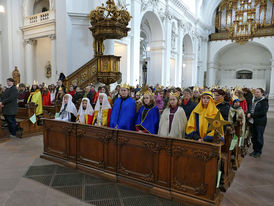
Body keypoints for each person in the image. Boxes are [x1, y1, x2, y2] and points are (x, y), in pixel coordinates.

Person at [247, 88, 269, 158]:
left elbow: (262, 112)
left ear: (262, 93)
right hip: (252, 121)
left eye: (258, 92)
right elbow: (249, 108)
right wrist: (248, 113)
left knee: (259, 137)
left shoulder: (264, 101)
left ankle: (258, 151)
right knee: (253, 137)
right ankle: (254, 150)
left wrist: (252, 115)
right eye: (255, 92)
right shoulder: (253, 100)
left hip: (260, 122)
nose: (256, 93)